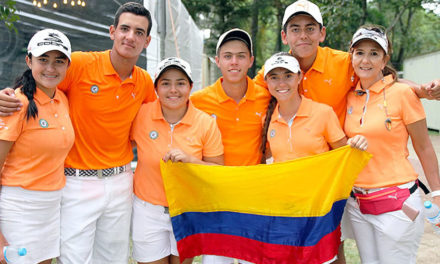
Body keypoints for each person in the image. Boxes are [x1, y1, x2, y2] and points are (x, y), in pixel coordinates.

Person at [0, 2, 156, 263]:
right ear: (112, 32)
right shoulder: (81, 64)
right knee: (74, 259)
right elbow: (41, 79)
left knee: (113, 259)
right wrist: (6, 94)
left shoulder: (144, 82)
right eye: (125, 29)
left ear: (147, 41)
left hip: (120, 182)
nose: (130, 37)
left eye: (139, 32)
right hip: (75, 182)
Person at [343, 25, 440, 264]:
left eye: (374, 53)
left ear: (385, 59)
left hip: (397, 204)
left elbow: (424, 146)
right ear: (351, 56)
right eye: (360, 52)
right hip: (358, 204)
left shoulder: (402, 94)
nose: (366, 60)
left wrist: (437, 192)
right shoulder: (348, 96)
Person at [260, 52, 367, 263]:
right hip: (286, 210)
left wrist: (355, 145)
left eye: (288, 75)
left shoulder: (323, 113)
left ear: (299, 77)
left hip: (320, 208)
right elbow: (267, 161)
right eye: (274, 77)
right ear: (266, 82)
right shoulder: (267, 118)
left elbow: (342, 154)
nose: (281, 83)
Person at [130, 57, 224, 264]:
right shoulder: (141, 115)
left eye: (180, 83)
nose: (173, 90)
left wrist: (191, 161)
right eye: (165, 83)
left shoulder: (205, 123)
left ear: (190, 86)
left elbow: (218, 171)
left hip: (186, 211)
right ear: (156, 88)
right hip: (148, 210)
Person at [190, 28, 270, 264]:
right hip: (215, 196)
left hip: (253, 196)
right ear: (217, 60)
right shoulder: (198, 101)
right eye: (227, 56)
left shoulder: (266, 97)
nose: (234, 62)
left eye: (240, 56)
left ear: (251, 60)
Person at [0, 29, 74, 264]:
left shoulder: (62, 99)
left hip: (51, 206)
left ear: (67, 66)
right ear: (29, 60)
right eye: (43, 60)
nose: (51, 68)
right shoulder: (16, 103)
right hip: (18, 208)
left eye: (58, 61)